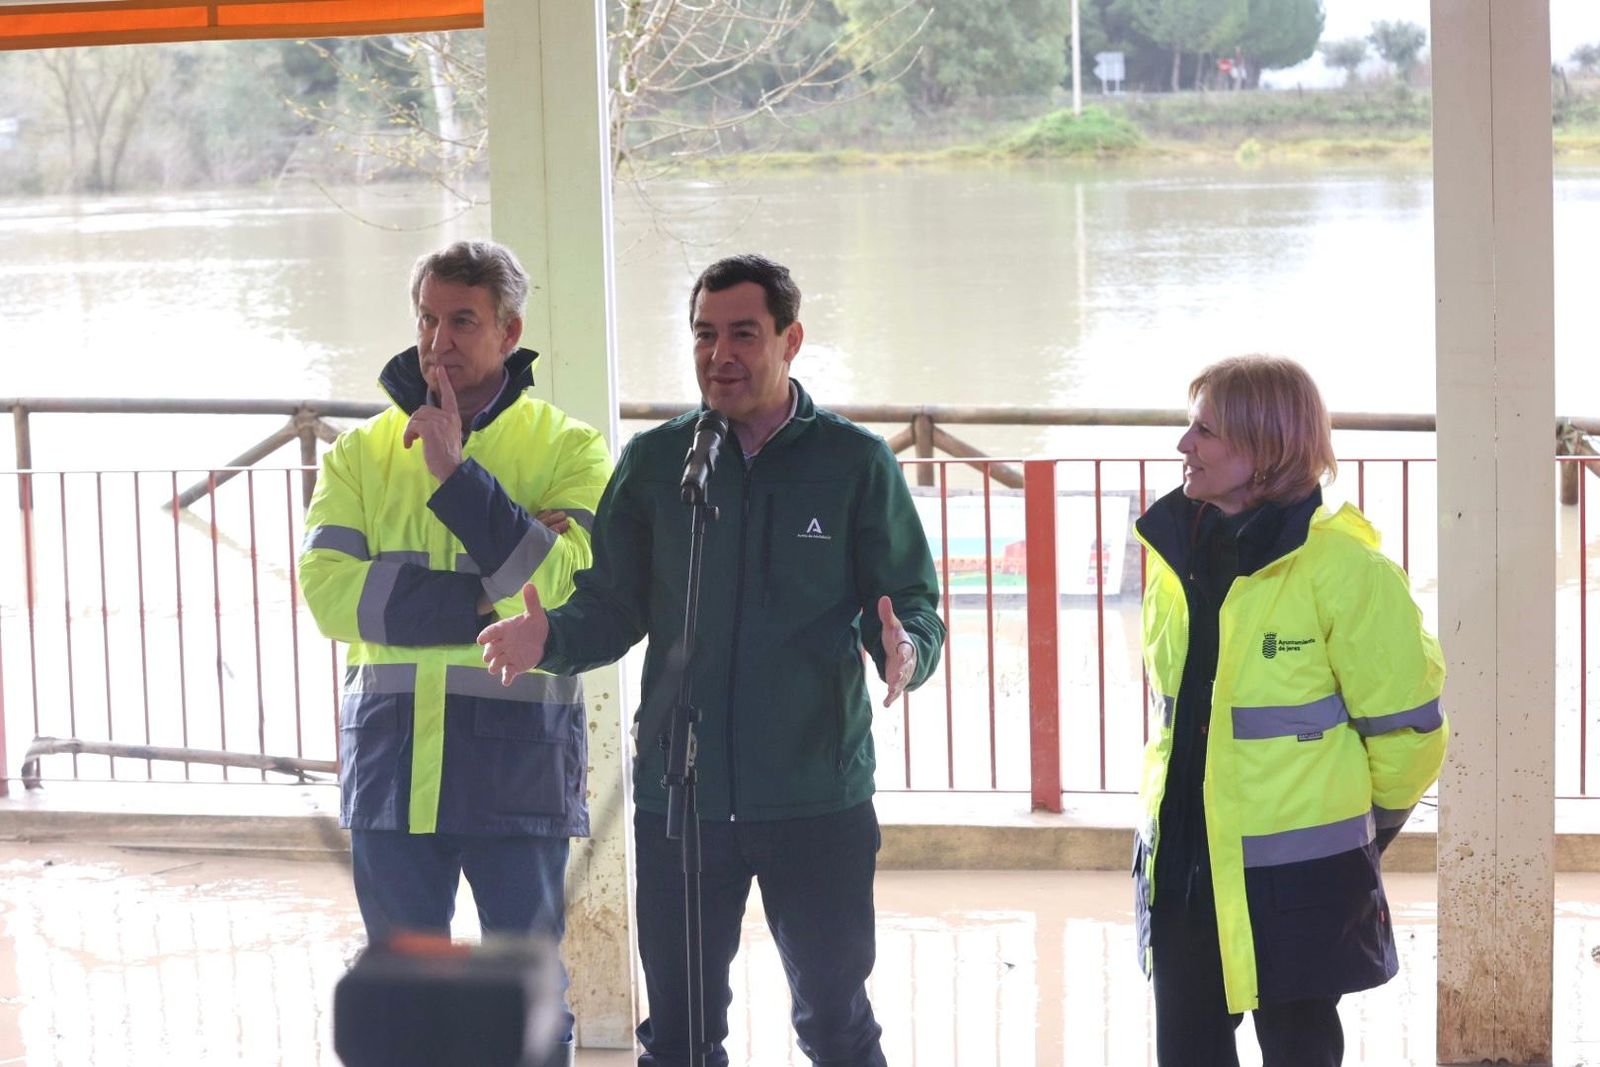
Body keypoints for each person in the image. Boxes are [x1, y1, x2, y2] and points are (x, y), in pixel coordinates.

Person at [479, 253, 945, 1067]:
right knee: (683, 1036)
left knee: (835, 1019)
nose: (719, 354)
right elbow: (615, 605)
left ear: (789, 339)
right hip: (680, 795)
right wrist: (548, 636)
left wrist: (904, 647)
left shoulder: (853, 463)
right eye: (703, 334)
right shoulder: (661, 464)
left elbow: (909, 603)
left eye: (743, 333)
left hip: (815, 795)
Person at [299, 239, 611, 1065]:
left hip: (518, 771)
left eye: (463, 320)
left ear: (509, 332)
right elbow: (331, 594)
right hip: (391, 770)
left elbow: (566, 594)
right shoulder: (357, 452)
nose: (438, 339)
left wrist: (455, 474)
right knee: (400, 1009)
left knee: (531, 1008)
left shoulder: (570, 449)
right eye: (428, 318)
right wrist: (488, 584)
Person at [1131, 354, 1448, 1067]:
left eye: (1205, 430)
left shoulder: (1349, 573)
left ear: (1265, 448)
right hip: (1182, 867)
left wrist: (1360, 833)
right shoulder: (1171, 555)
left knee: (1300, 1053)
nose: (1184, 445)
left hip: (1298, 879)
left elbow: (1410, 733)